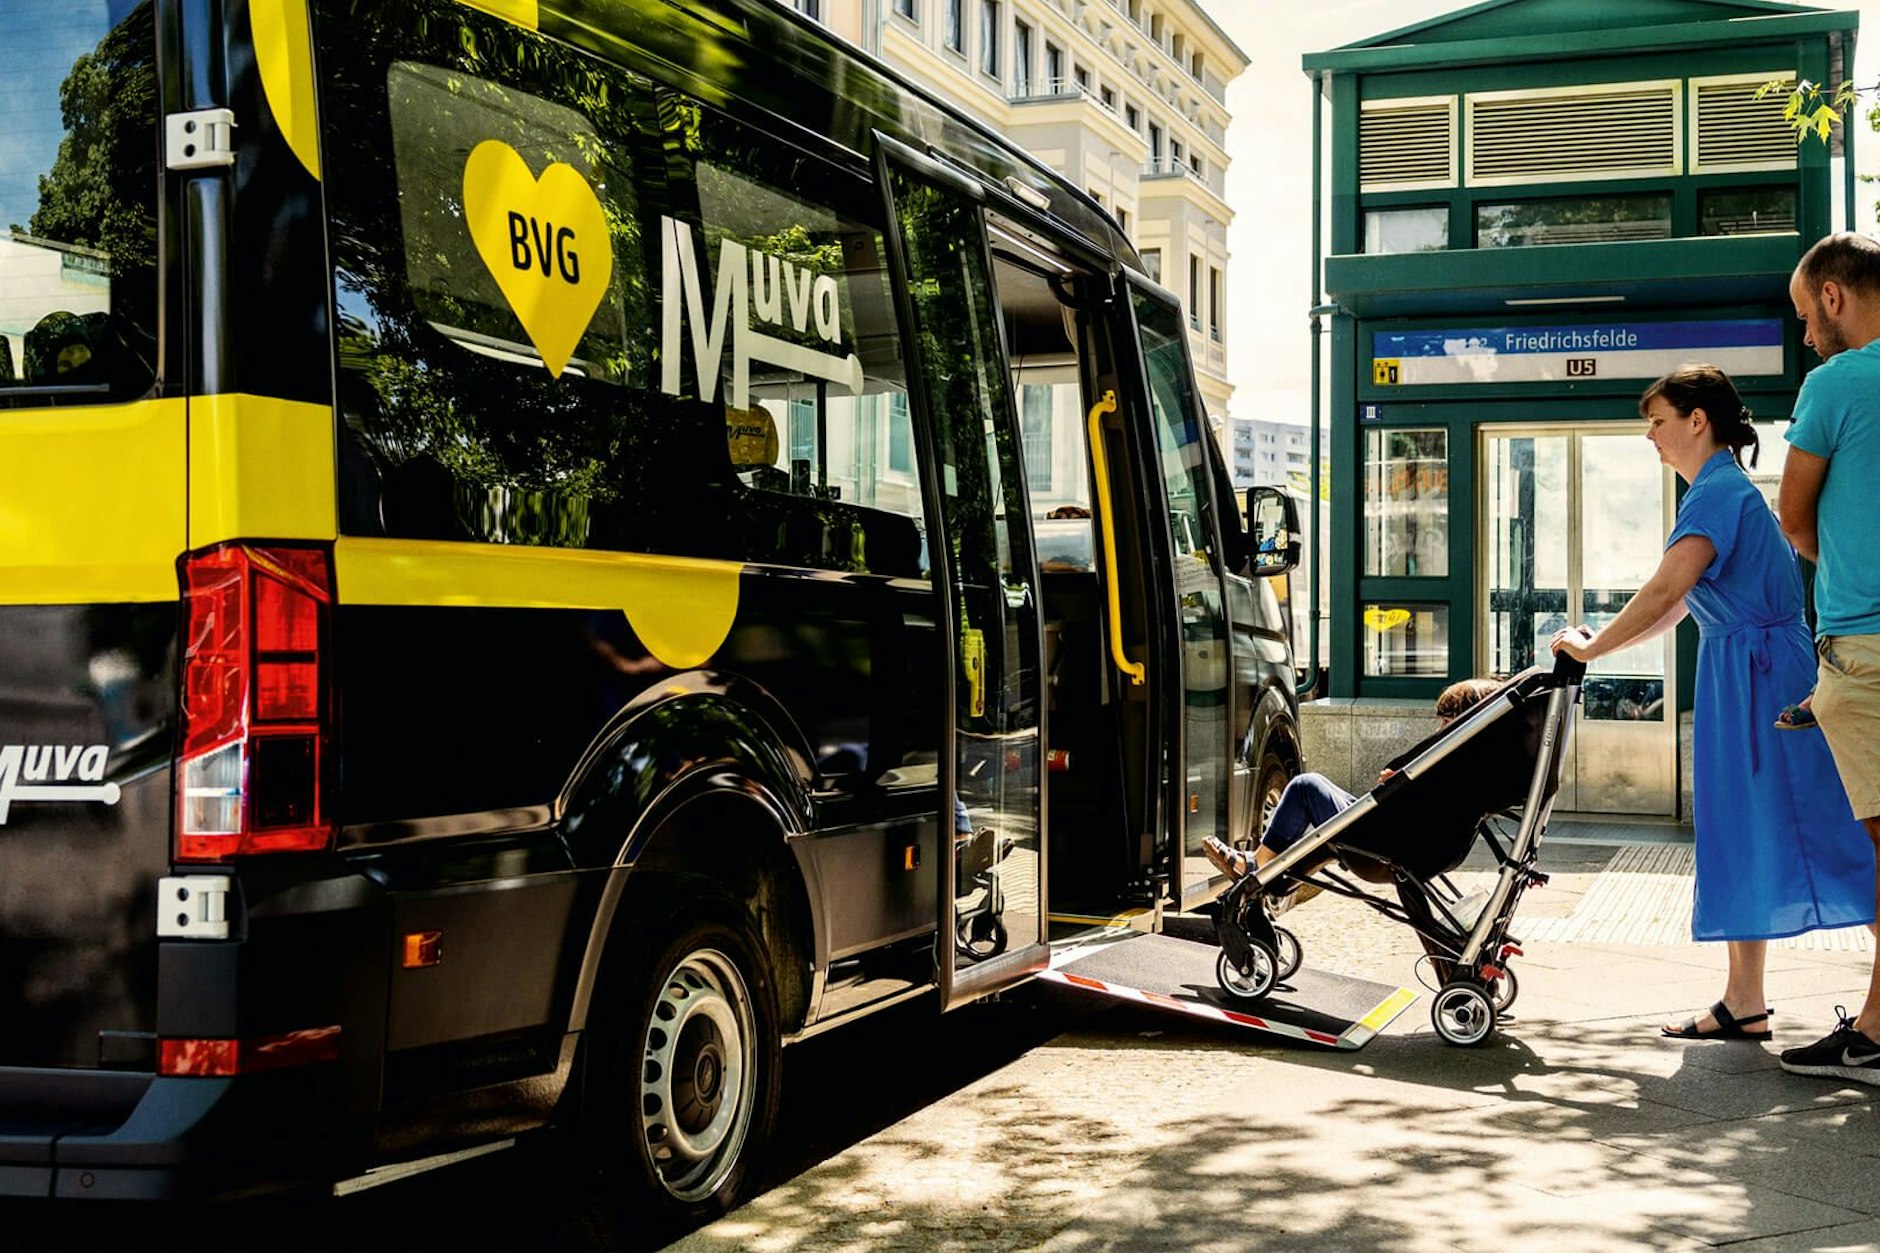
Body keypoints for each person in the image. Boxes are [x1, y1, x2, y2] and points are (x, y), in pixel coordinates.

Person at [1550, 364, 1874, 1044]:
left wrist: (1591, 648)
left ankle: (1768, 1000)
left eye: (1658, 421)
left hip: (1762, 678)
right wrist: (1602, 644)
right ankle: (1743, 1000)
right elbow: (1682, 602)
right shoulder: (1721, 489)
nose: (1650, 436)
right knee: (1746, 829)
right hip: (1751, 671)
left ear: (1697, 420)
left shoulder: (1717, 493)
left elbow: (1666, 590)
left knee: (1828, 828)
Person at [1775, 232, 1880, 1083]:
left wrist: (1844, 570)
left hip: (1864, 648)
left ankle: (1878, 1033)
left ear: (1836, 297)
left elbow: (1794, 516)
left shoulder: (1837, 382)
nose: (1809, 335)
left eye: (1809, 316)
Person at [1203, 677, 1503, 913]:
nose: (1440, 729)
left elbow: (1420, 805)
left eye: (1446, 722)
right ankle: (1275, 877)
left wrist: (1401, 784)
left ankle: (1257, 864)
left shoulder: (1451, 761)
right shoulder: (1471, 765)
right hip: (1398, 835)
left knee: (1306, 787)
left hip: (1384, 842)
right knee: (1319, 807)